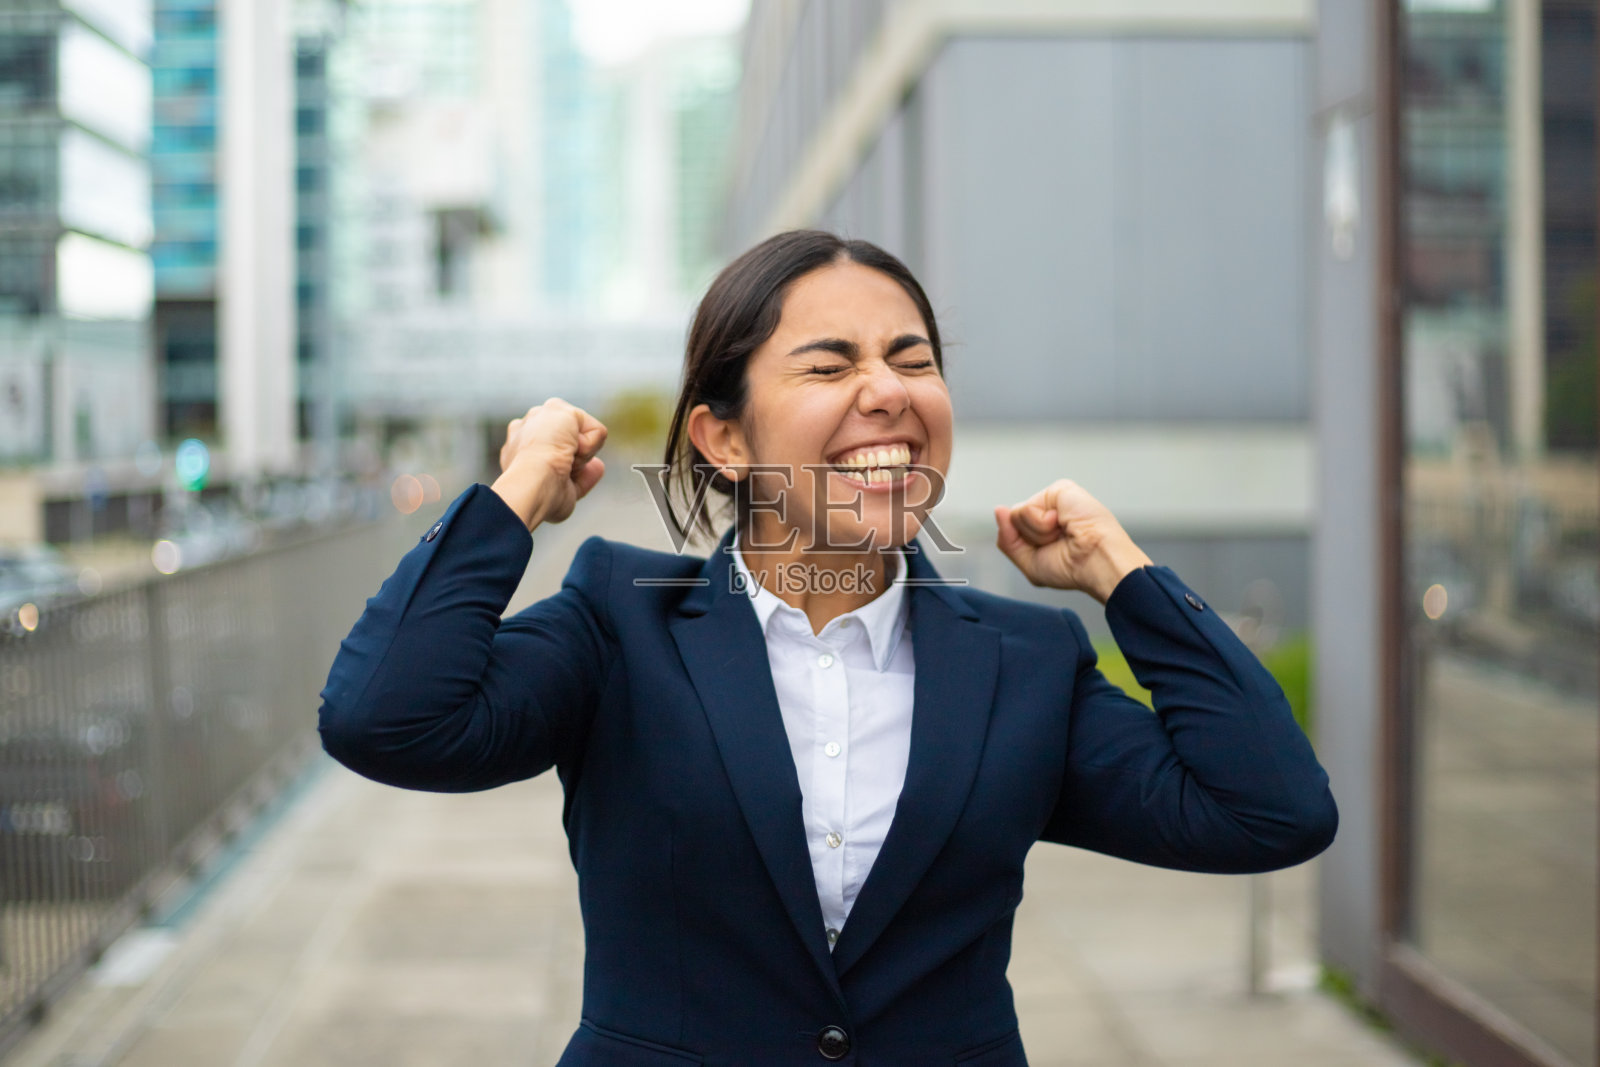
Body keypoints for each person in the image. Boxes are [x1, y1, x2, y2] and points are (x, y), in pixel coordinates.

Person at [318, 230, 1337, 1066]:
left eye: (913, 359)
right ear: (724, 438)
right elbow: (386, 716)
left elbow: (1268, 810)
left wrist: (1125, 574)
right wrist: (515, 500)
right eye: (830, 363)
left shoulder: (1025, 660)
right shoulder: (618, 623)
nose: (888, 391)